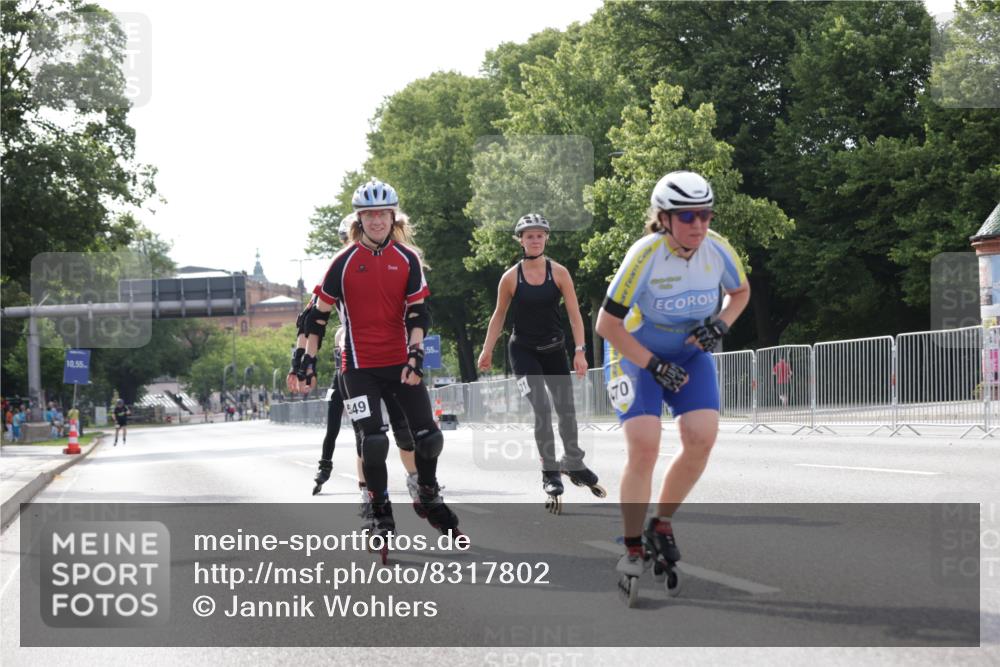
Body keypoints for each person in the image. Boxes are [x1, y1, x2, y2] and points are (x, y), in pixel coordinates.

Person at [595, 170, 749, 600]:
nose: (698, 225)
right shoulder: (645, 255)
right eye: (686, 216)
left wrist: (720, 324)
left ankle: (660, 522)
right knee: (645, 445)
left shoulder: (717, 249)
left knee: (702, 437)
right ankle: (631, 546)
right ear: (663, 219)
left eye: (705, 214)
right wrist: (654, 365)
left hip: (687, 352)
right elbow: (606, 325)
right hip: (635, 353)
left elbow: (740, 292)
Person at [292, 178, 460, 551]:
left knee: (429, 437)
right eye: (369, 215)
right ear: (360, 219)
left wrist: (415, 355)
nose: (377, 221)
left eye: (383, 214)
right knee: (372, 442)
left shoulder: (408, 259)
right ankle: (379, 513)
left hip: (400, 363)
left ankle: (426, 491)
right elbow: (316, 317)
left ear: (392, 216)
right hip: (358, 366)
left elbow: (418, 313)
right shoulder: (342, 262)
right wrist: (306, 361)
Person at [477, 213, 603, 513]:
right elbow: (499, 315)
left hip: (554, 350)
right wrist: (486, 350)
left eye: (539, 235)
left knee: (566, 409)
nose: (535, 240)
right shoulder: (511, 278)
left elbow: (574, 314)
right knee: (543, 410)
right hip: (523, 352)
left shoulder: (559, 273)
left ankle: (573, 461)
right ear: (520, 240)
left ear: (546, 238)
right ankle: (549, 472)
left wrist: (580, 351)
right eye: (529, 236)